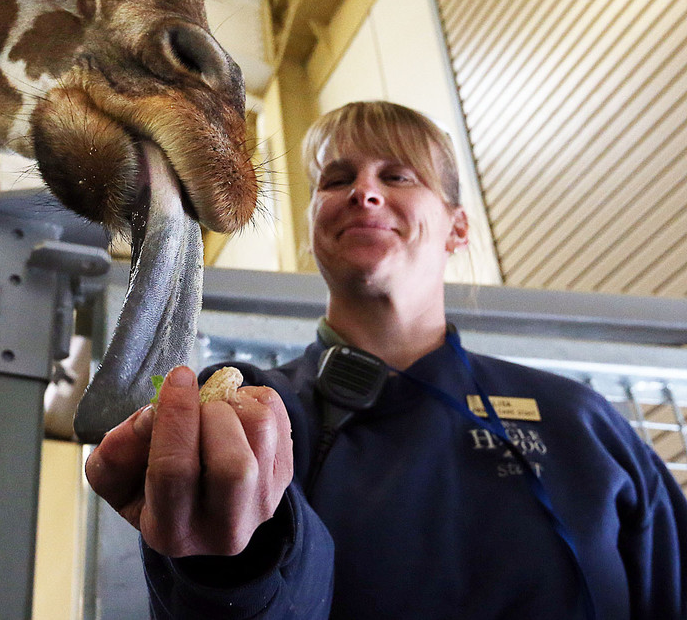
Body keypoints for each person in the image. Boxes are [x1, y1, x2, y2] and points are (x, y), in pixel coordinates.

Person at [85, 100, 687, 619]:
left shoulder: (577, 421)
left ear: (457, 228)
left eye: (398, 176)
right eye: (336, 178)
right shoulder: (259, 413)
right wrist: (231, 567)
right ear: (313, 226)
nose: (363, 191)